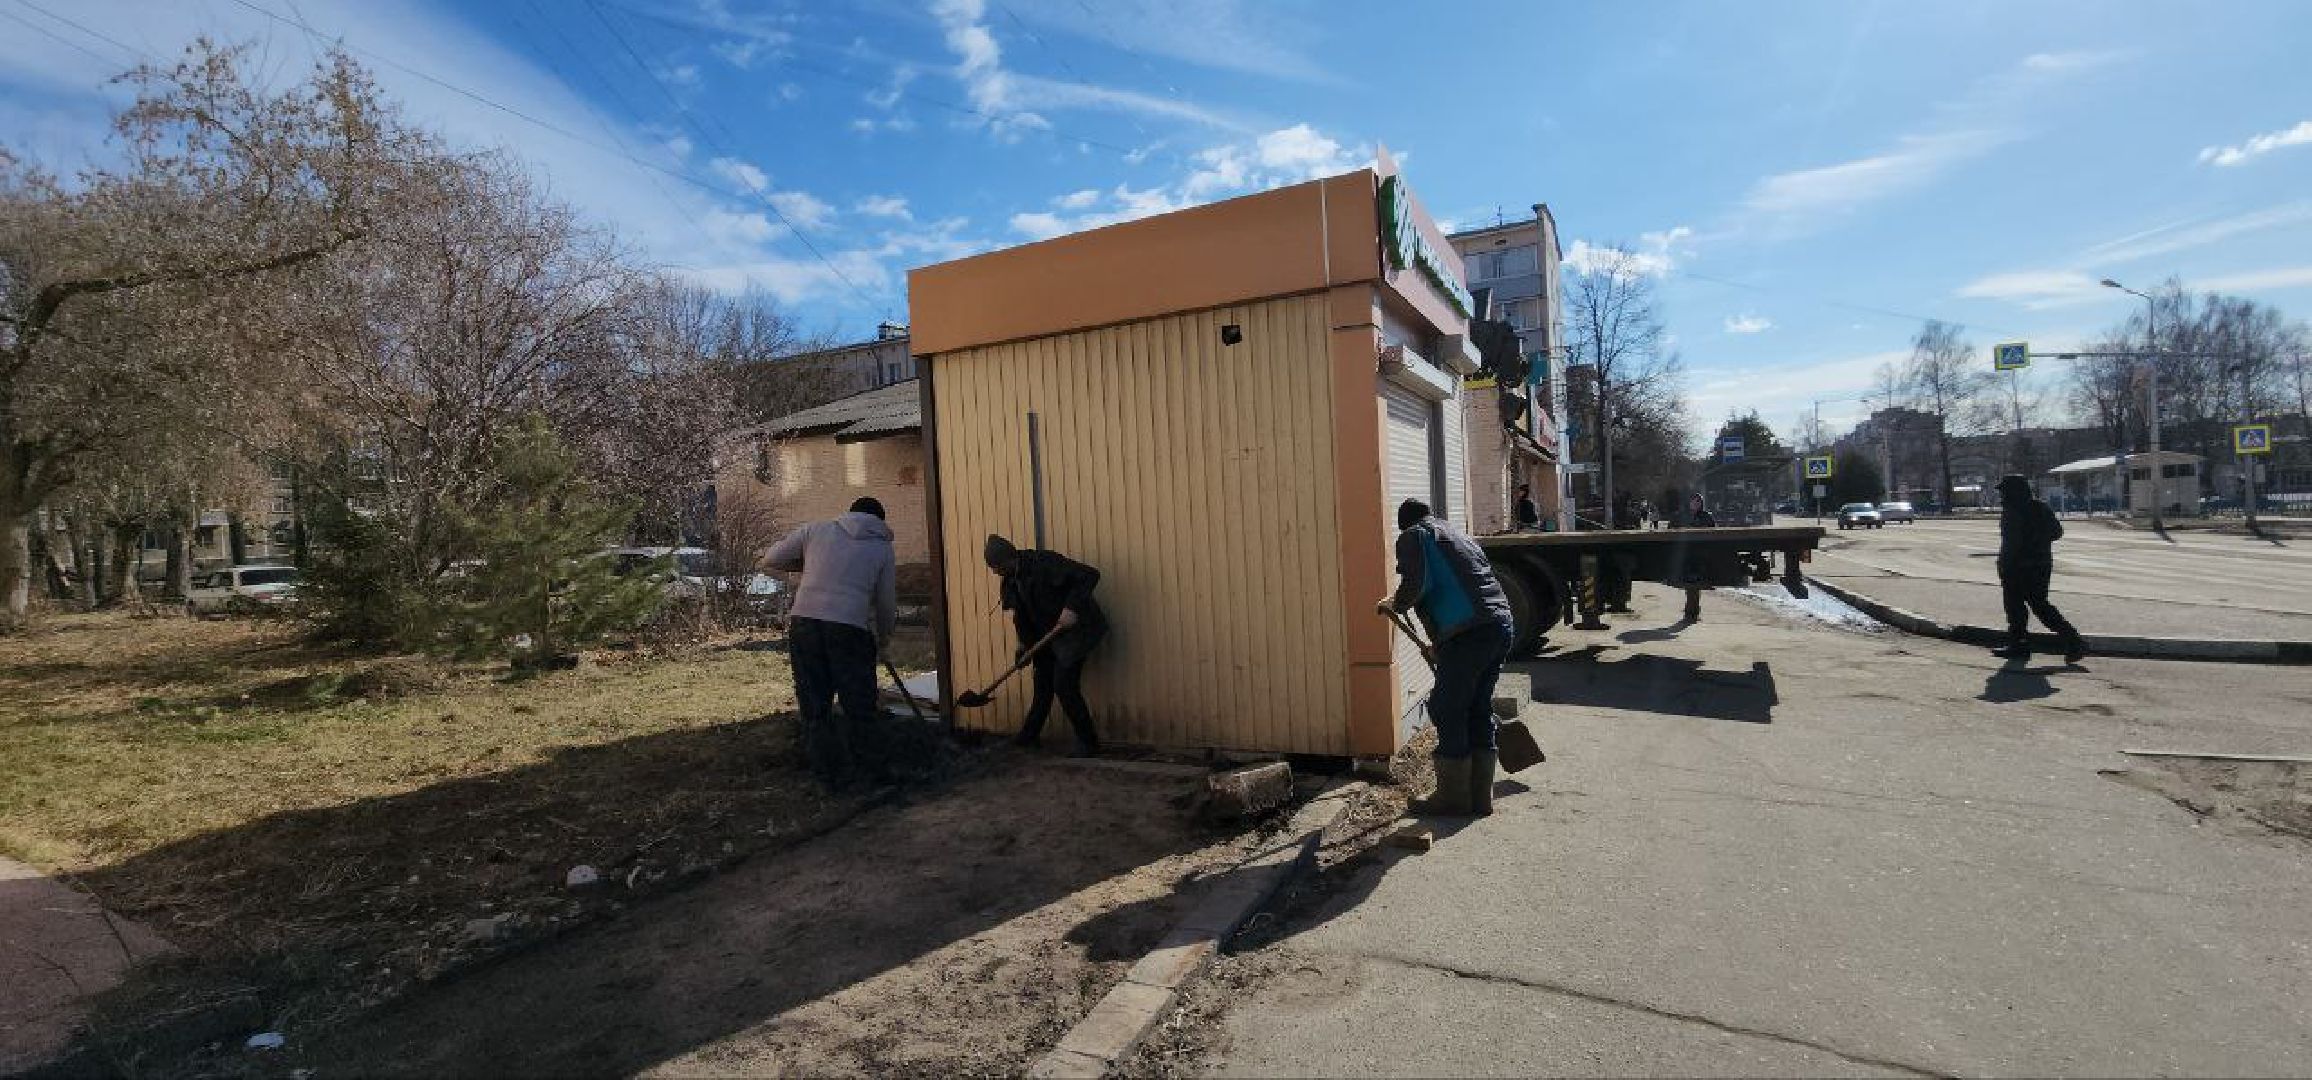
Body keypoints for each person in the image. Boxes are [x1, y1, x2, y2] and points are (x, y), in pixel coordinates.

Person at [1380, 499, 1516, 818]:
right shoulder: (1456, 535)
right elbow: (1459, 585)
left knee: (1447, 707)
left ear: (1406, 524)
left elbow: (1417, 583)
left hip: (1469, 632)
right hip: (1499, 625)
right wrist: (1442, 643)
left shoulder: (1415, 535)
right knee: (1477, 707)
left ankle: (1453, 799)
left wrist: (1396, 603)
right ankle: (1480, 799)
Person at [766, 497, 898, 786]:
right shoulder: (881, 547)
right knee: (859, 704)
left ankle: (827, 774)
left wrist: (805, 574)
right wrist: (884, 638)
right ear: (880, 521)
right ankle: (869, 772)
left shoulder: (816, 530)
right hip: (850, 628)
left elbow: (770, 559)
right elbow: (886, 602)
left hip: (805, 623)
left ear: (849, 513)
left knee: (814, 703)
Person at [984, 534, 1107, 756]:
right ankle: (1029, 736)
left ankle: (1089, 742)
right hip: (1048, 634)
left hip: (1077, 630)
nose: (995, 572)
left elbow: (1089, 575)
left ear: (1008, 558)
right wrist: (1024, 646)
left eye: (996, 566)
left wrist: (1071, 608)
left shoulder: (1044, 563)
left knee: (1063, 685)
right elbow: (1021, 616)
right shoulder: (1011, 581)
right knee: (1042, 683)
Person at [1993, 474, 2088, 663]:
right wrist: (2039, 539)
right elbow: (2057, 532)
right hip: (2042, 565)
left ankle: (2019, 645)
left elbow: (2011, 542)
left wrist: (2003, 565)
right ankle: (2072, 640)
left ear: (2013, 491)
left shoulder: (2012, 510)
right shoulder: (2040, 507)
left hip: (2018, 567)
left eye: (2004, 491)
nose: (2002, 495)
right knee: (2040, 605)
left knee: (2015, 607)